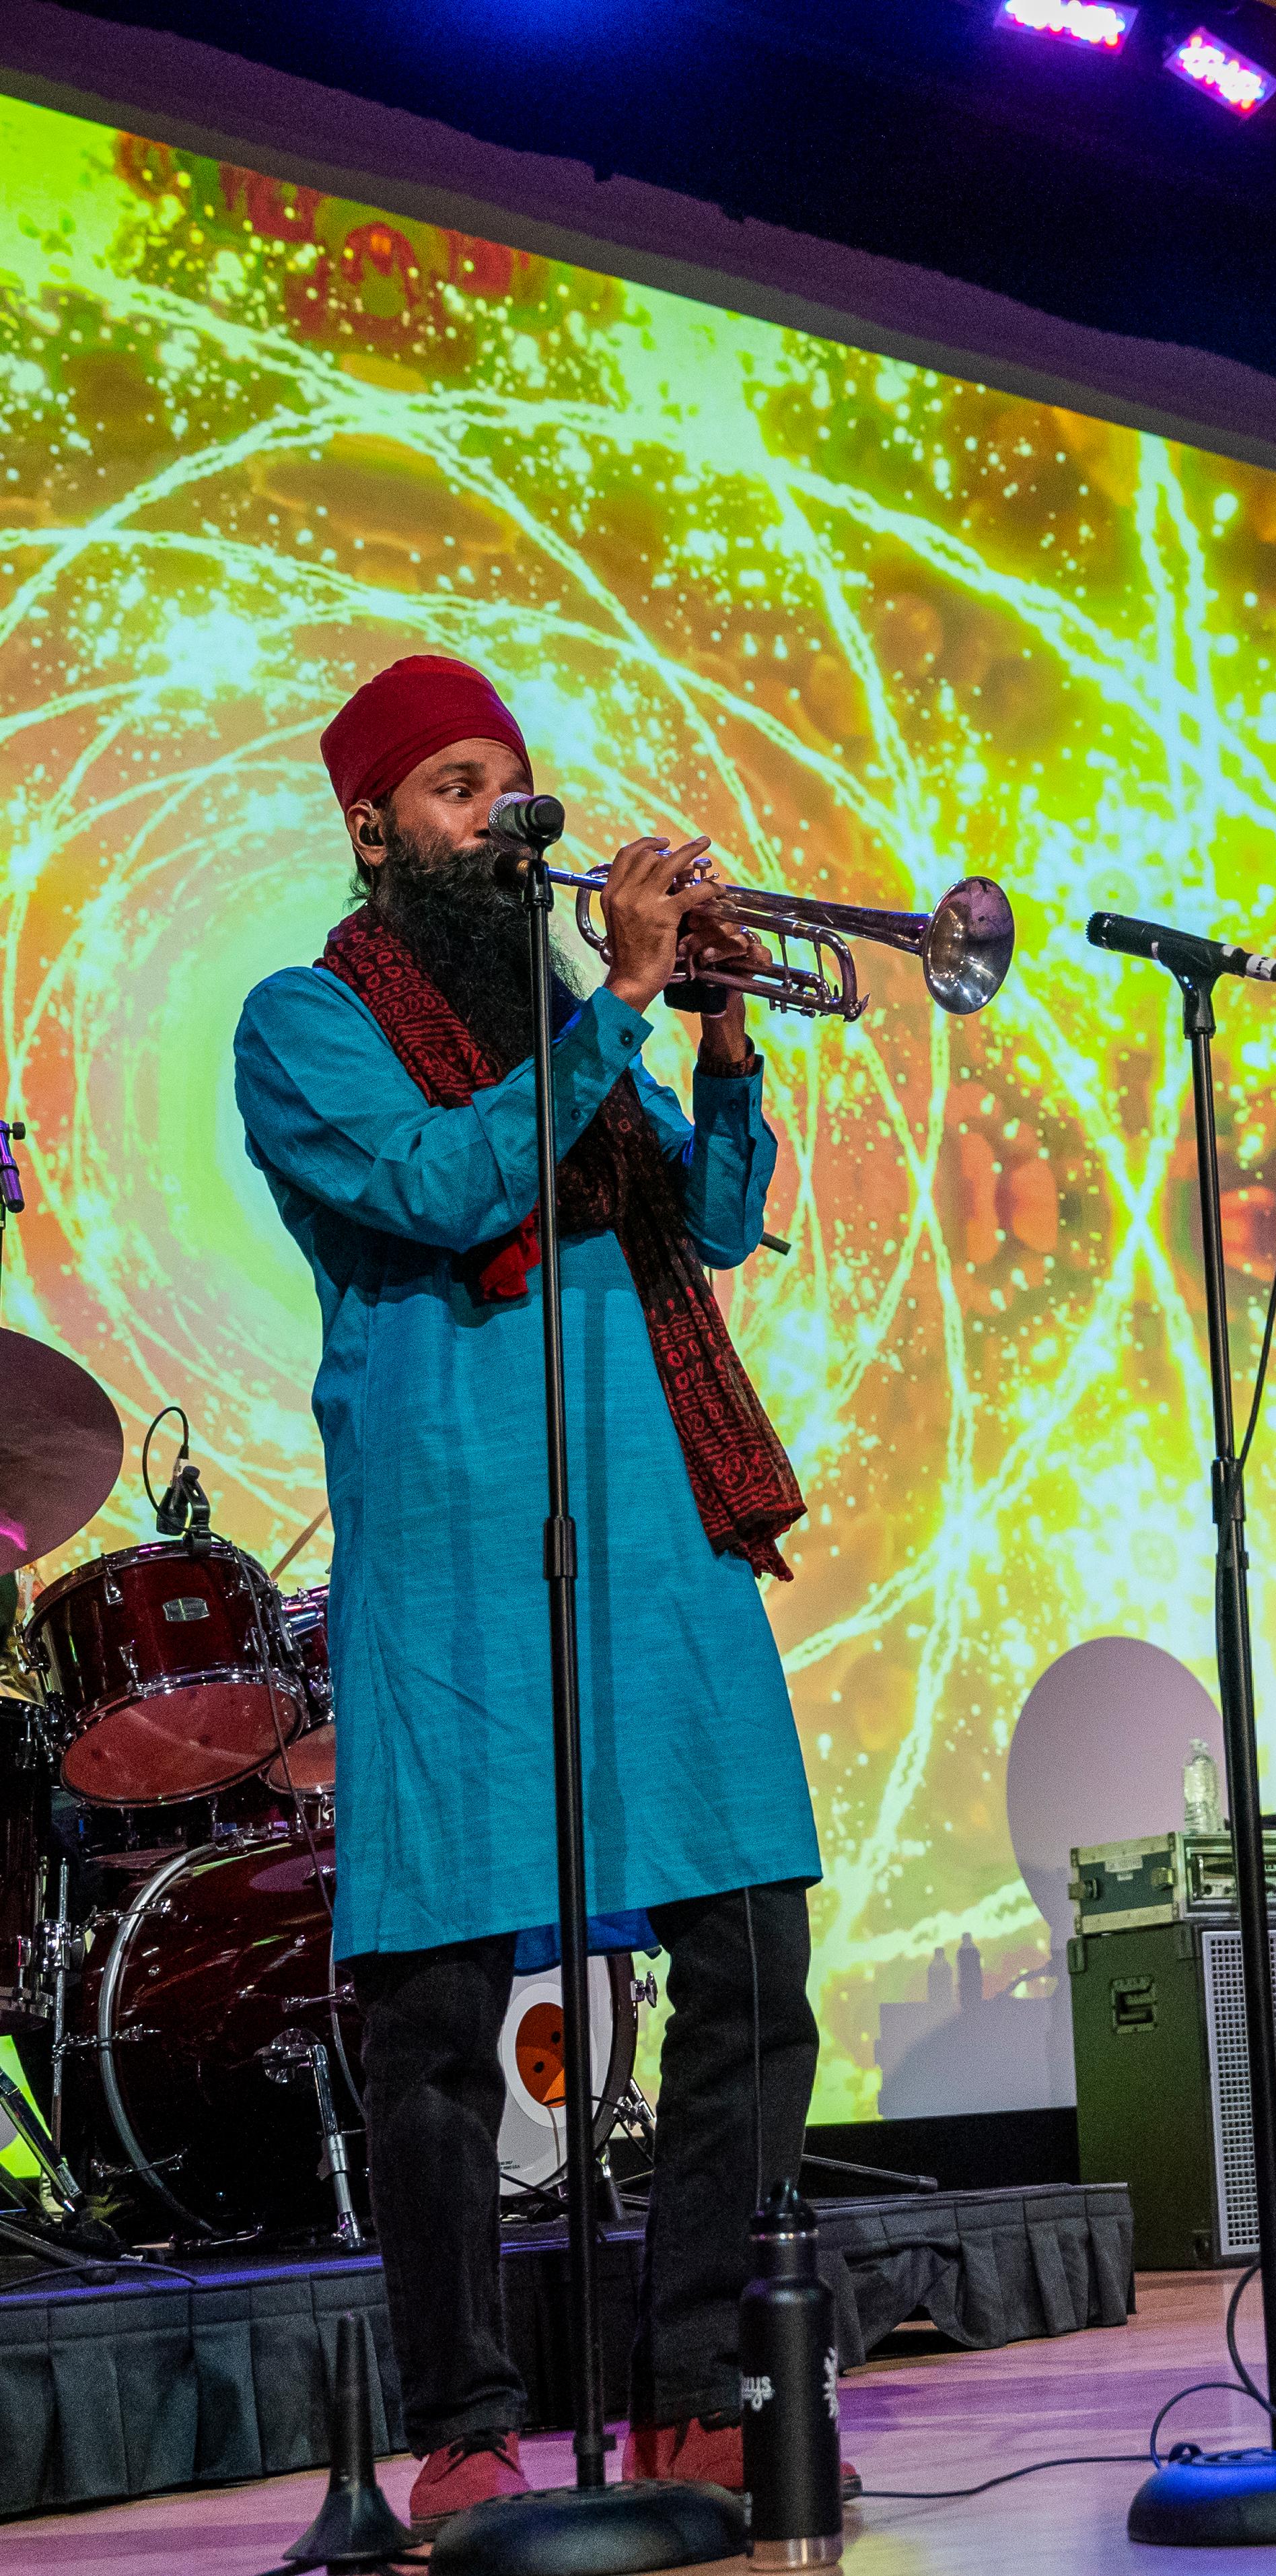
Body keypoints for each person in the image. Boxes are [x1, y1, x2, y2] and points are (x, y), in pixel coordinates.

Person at [234, 656, 827, 2517]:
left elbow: (711, 1225)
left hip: (653, 1537)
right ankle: (468, 2429)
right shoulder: (301, 1018)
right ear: (375, 827)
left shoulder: (577, 1014)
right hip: (459, 1549)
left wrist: (718, 1034)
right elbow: (430, 1187)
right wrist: (632, 1009)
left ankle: (688, 2385)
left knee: (754, 1958)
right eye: (451, 785)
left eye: (509, 778)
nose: (498, 812)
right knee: (435, 2013)